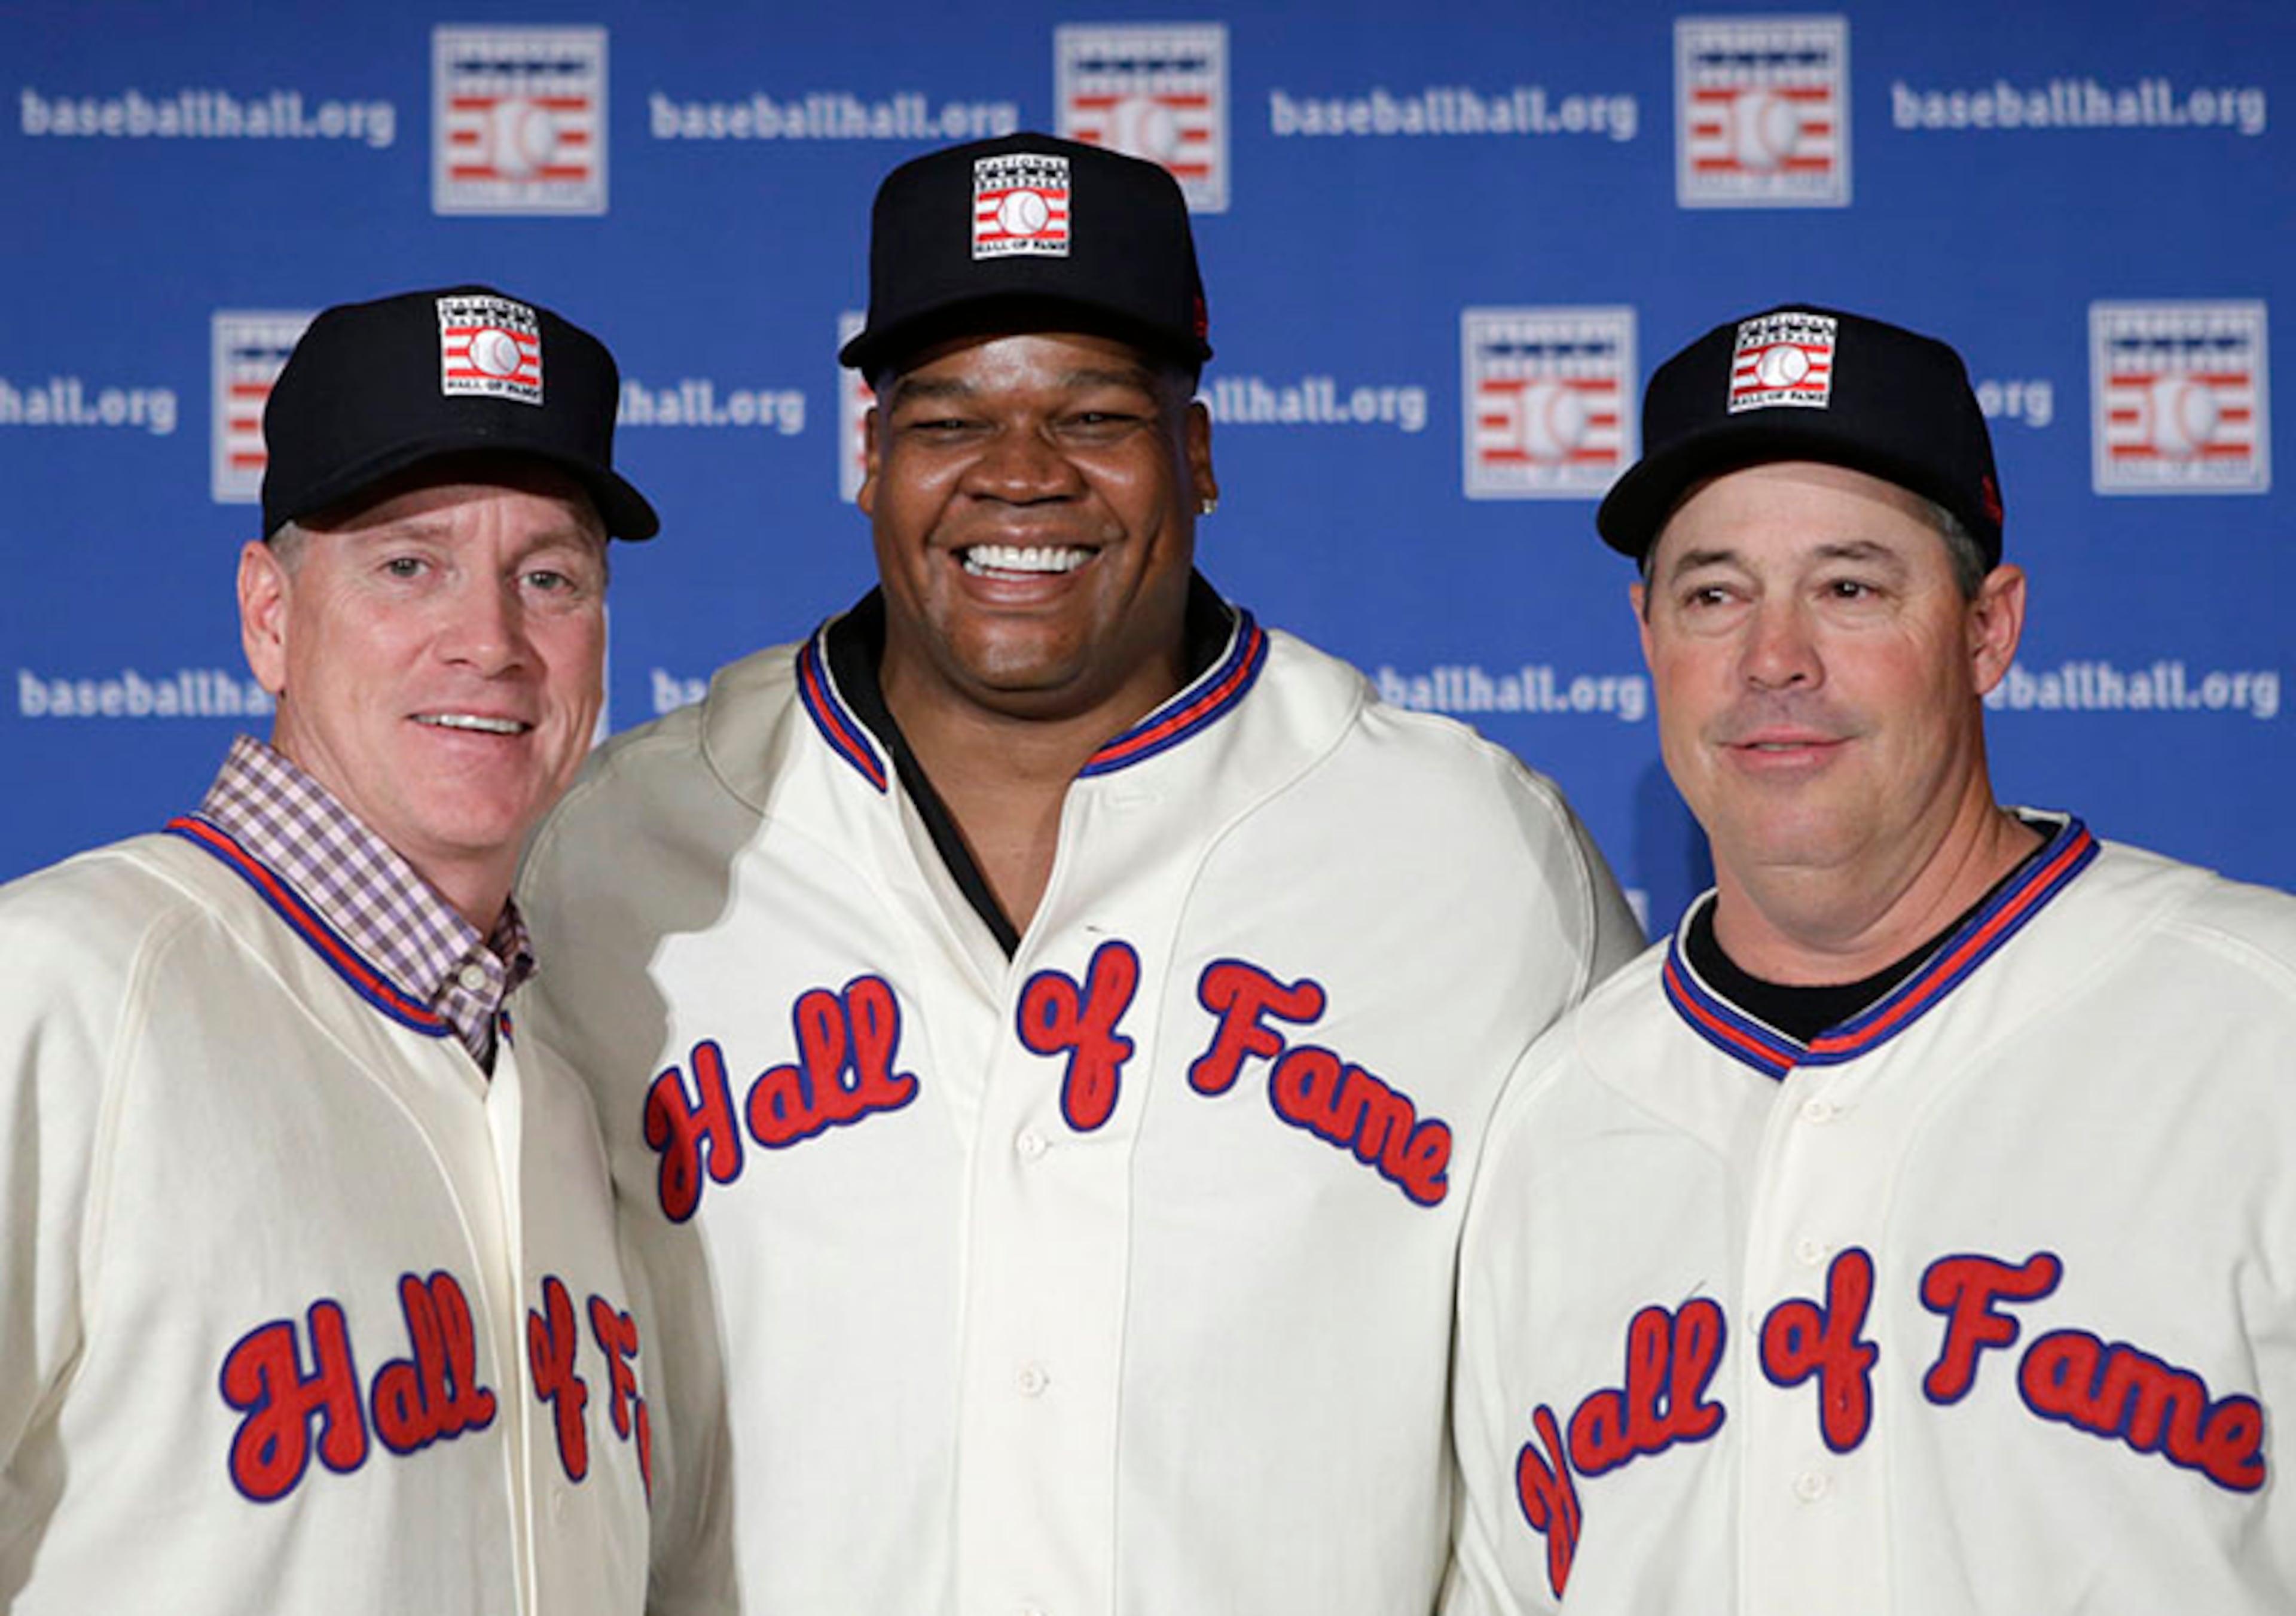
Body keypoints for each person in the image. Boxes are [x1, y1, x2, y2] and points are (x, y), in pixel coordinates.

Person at [515, 132, 1639, 1615]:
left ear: (1200, 454)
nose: (1020, 474)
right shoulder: (615, 849)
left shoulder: (1467, 851)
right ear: (870, 459)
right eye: (950, 419)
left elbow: (1619, 1403)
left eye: (1096, 414)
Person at [1445, 304, 2296, 1613]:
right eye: (1715, 594)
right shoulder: (1553, 1123)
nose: (1773, 658)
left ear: (1987, 629)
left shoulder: (2259, 1028)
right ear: (1648, 636)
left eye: (1848, 588)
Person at [0, 285, 662, 1614]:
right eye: (408, 565)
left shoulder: (562, 1078)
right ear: (269, 615)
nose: (490, 642)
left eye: (549, 577)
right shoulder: (62, 988)